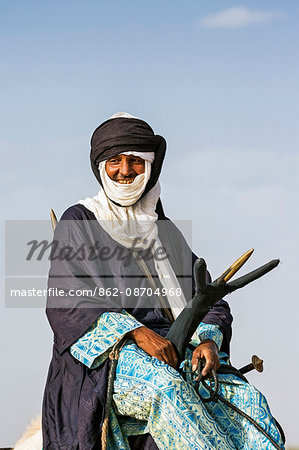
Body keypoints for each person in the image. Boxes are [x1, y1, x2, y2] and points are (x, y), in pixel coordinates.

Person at [42, 112, 284, 449]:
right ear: (101, 166)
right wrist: (137, 334)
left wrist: (208, 342)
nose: (124, 170)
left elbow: (208, 299)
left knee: (249, 401)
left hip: (177, 348)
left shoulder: (164, 231)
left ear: (151, 166)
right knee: (165, 388)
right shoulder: (80, 220)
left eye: (135, 161)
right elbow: (66, 302)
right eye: (115, 160)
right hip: (110, 356)